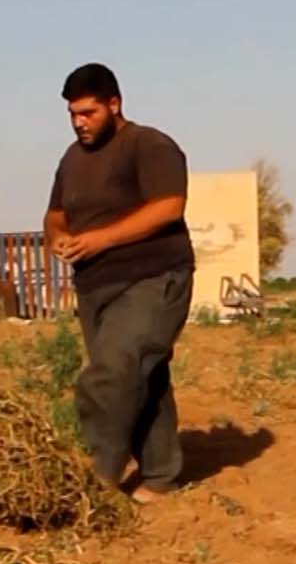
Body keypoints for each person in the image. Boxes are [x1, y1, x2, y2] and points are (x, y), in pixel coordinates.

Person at [43, 63, 196, 504]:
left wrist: (100, 239)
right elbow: (55, 214)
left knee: (112, 372)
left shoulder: (149, 145)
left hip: (152, 277)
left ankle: (97, 482)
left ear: (114, 104)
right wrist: (58, 238)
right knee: (141, 375)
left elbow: (169, 207)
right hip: (96, 286)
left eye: (88, 113)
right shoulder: (72, 159)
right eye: (73, 114)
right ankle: (161, 477)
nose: (79, 122)